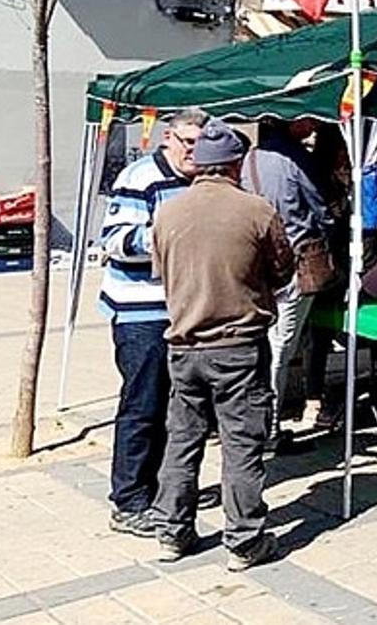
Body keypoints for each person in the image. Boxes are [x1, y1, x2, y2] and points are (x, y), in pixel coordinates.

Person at [150, 119, 295, 570]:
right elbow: (283, 271)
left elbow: (161, 272)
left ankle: (172, 532)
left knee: (182, 441)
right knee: (241, 445)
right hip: (238, 346)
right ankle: (244, 540)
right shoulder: (256, 211)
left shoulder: (167, 212)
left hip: (183, 346)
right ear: (235, 165)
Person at [97, 108, 208, 537]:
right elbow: (113, 241)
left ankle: (160, 486)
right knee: (142, 406)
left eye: (201, 143)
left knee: (174, 408)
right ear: (167, 138)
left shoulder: (202, 182)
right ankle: (128, 500)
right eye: (187, 143)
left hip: (183, 312)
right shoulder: (139, 177)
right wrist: (172, 236)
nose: (193, 152)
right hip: (139, 312)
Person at [242, 119, 333, 441]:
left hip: (258, 264)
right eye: (307, 119)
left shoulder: (250, 159)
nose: (314, 124)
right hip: (295, 263)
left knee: (265, 344)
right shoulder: (296, 159)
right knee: (280, 348)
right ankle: (270, 427)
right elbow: (321, 208)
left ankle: (259, 421)